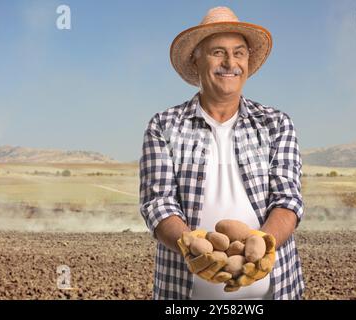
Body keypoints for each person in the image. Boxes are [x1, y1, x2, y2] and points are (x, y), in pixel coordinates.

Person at [139, 6, 304, 300]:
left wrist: (264, 243)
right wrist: (188, 242)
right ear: (196, 59)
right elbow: (158, 203)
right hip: (183, 295)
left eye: (239, 53)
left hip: (273, 292)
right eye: (218, 52)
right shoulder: (164, 126)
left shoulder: (276, 124)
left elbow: (287, 198)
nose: (230, 62)